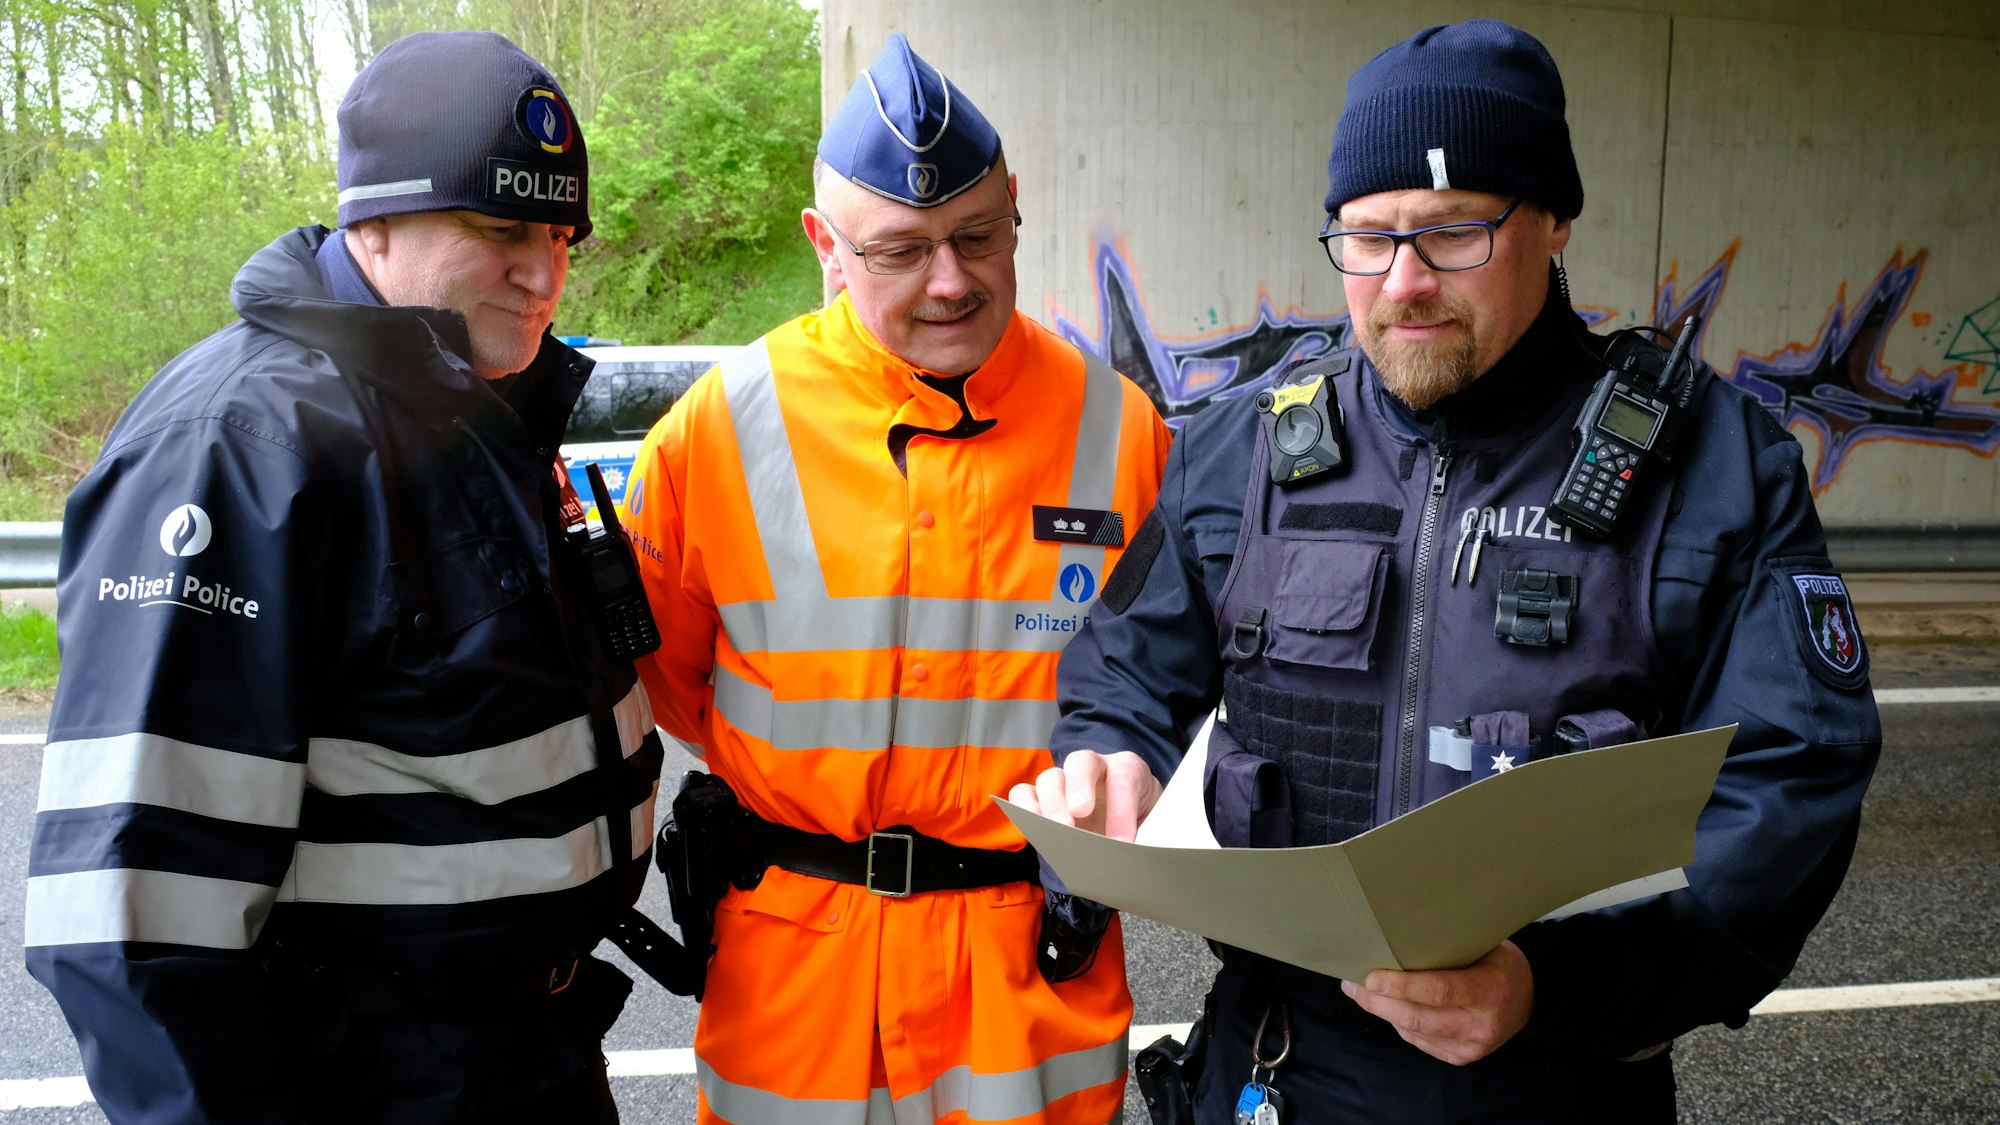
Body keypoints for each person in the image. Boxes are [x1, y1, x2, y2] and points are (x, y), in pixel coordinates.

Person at [1013, 19, 1880, 1123]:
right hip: (1278, 1069)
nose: (1404, 281)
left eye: (1453, 233)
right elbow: (1126, 676)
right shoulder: (1242, 451)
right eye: (1366, 238)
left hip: (1558, 1074)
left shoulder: (1711, 466)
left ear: (1553, 221)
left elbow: (1790, 779)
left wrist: (1556, 988)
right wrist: (1109, 761)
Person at [24, 31, 661, 1125]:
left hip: (526, 1053)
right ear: (373, 222)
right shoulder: (238, 443)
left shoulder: (469, 405)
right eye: (502, 229)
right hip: (365, 1080)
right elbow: (136, 909)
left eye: (561, 234)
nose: (545, 272)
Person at [621, 32, 1172, 1125]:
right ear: (824, 245)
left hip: (1024, 983)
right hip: (796, 985)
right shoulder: (718, 431)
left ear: (1015, 208)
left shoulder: (1123, 433)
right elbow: (668, 682)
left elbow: (1162, 687)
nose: (950, 280)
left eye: (977, 235)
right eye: (900, 251)